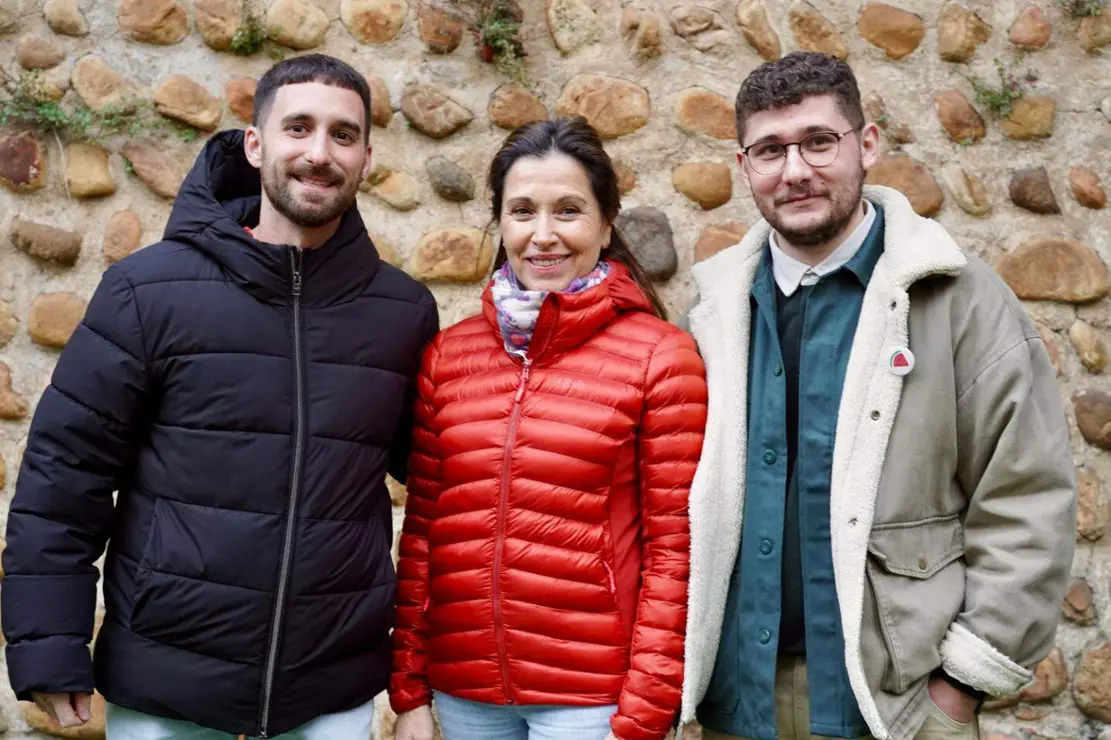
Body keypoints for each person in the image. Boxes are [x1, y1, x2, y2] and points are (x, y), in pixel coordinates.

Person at [2, 54, 439, 739]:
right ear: (256, 143)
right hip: (167, 689)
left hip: (327, 694)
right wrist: (49, 647)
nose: (319, 153)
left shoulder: (402, 312)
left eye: (342, 135)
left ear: (365, 157)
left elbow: (444, 486)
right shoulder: (148, 291)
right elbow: (65, 476)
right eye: (298, 128)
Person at [679, 52, 1076, 740]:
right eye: (769, 150)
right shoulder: (711, 309)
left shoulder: (959, 299)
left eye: (817, 141)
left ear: (866, 144)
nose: (794, 169)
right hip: (736, 701)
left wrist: (959, 689)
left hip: (894, 705)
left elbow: (1026, 499)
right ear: (743, 166)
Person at [388, 118, 707, 740]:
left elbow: (675, 551)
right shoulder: (447, 357)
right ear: (500, 222)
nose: (543, 235)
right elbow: (423, 534)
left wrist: (643, 710)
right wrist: (410, 690)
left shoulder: (662, 358)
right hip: (464, 695)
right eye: (522, 211)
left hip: (592, 704)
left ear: (606, 224)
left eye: (568, 210)